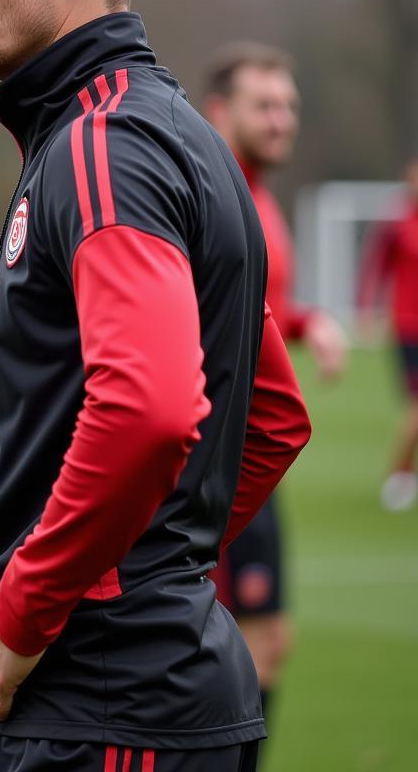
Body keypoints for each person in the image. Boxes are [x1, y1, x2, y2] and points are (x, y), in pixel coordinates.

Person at [0, 0, 312, 772]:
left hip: (94, 713)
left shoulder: (102, 147)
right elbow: (268, 416)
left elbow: (147, 409)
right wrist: (150, 565)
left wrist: (41, 600)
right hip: (125, 703)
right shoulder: (174, 136)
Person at [203, 43, 348, 741]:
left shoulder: (259, 198)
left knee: (265, 644)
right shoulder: (214, 197)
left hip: (254, 458)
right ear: (219, 111)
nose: (282, 119)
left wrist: (304, 320)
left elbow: (252, 308)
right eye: (264, 105)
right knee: (237, 648)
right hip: (216, 462)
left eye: (288, 105)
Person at [358, 157, 418, 510]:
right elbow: (375, 266)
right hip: (409, 327)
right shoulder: (398, 222)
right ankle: (400, 473)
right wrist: (367, 309)